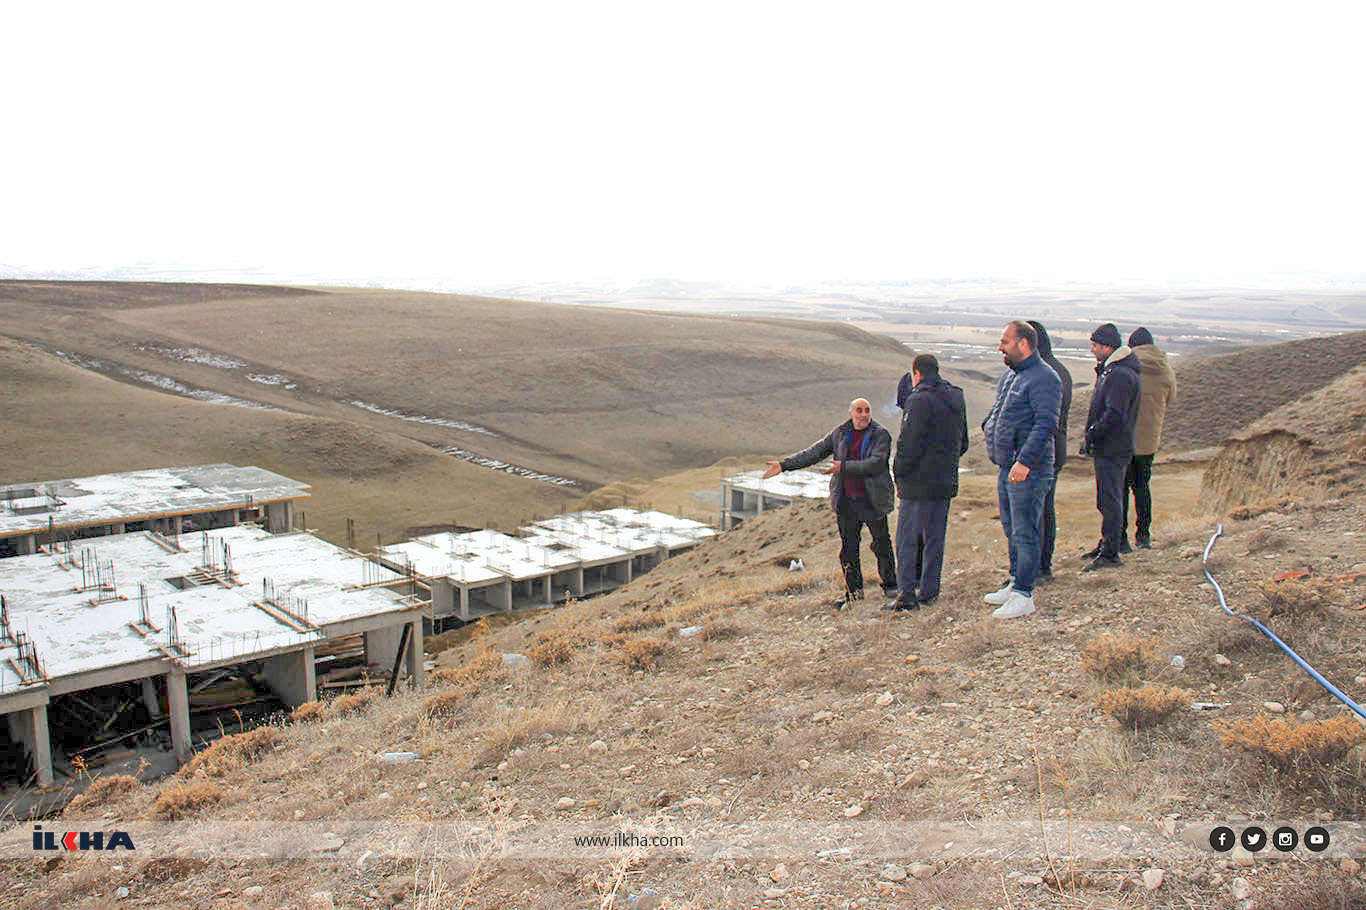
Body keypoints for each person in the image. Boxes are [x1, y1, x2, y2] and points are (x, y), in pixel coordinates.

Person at [763, 398, 896, 608]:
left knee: (881, 544)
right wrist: (784, 465)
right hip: (846, 501)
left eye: (867, 410)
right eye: (859, 410)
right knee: (848, 549)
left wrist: (843, 467)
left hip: (873, 500)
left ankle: (890, 586)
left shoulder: (880, 434)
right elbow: (814, 453)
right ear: (851, 413)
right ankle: (853, 594)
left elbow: (876, 464)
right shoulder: (841, 433)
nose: (863, 415)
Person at [981, 321, 1061, 619]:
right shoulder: (1011, 376)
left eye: (1005, 341)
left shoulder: (1045, 379)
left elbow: (1046, 423)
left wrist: (1025, 461)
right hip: (1006, 466)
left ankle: (1024, 593)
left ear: (1024, 344)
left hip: (1029, 469)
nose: (1000, 347)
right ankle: (1015, 581)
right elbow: (1000, 411)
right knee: (1011, 528)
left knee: (1026, 530)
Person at [885, 355, 969, 611]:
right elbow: (962, 441)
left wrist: (899, 471)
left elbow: (909, 444)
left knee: (907, 539)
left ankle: (907, 594)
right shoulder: (956, 396)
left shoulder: (918, 399)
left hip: (917, 484)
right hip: (944, 480)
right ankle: (930, 591)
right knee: (934, 538)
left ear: (917, 373)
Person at [1080, 323, 1141, 570]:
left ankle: (1110, 552)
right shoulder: (1114, 371)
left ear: (1107, 346)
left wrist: (1093, 433)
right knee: (1108, 498)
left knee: (1111, 499)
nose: (1093, 350)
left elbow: (1115, 414)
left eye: (1095, 345)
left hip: (1113, 447)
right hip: (1112, 446)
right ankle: (1109, 543)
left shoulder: (1119, 375)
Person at [1124, 327, 1177, 549]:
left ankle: (1119, 537)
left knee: (1121, 489)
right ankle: (1143, 535)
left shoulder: (1128, 365)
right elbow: (1172, 397)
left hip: (1125, 438)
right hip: (1149, 440)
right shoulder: (1164, 368)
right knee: (1142, 487)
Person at [1027, 320, 1072, 581]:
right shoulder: (1058, 369)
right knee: (1043, 508)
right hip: (1052, 448)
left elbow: (1042, 419)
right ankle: (1040, 564)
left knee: (1038, 511)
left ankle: (1039, 567)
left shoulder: (1045, 373)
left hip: (1042, 452)